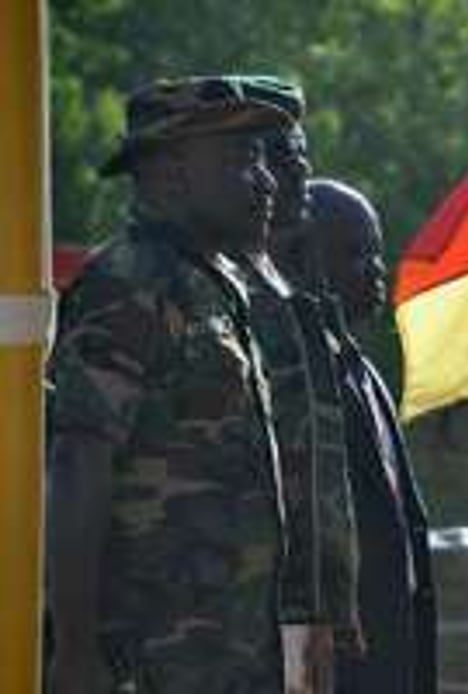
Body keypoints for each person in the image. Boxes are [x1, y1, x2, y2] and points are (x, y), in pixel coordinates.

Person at [46, 77, 288, 693]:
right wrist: (75, 651)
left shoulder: (209, 285)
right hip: (149, 661)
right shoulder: (129, 282)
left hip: (224, 659)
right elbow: (78, 461)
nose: (266, 181)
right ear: (170, 171)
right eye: (241, 159)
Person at [274, 178, 436, 694]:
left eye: (376, 252)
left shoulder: (362, 371)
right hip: (334, 663)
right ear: (302, 259)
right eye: (353, 253)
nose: (374, 269)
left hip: (390, 656)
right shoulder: (293, 372)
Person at [235, 76, 359, 694]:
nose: (298, 172)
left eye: (303, 154)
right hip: (226, 621)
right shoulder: (215, 290)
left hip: (305, 620)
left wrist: (336, 604)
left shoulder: (297, 298)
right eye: (281, 157)